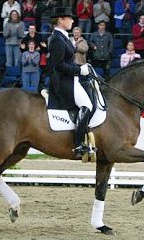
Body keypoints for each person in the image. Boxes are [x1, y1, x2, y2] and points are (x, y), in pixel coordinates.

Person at [48, 7, 93, 157]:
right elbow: (59, 65)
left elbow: (67, 62)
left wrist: (81, 67)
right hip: (63, 81)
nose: (73, 21)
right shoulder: (57, 39)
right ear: (61, 20)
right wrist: (79, 70)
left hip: (70, 77)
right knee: (87, 105)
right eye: (70, 18)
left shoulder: (63, 37)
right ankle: (78, 144)